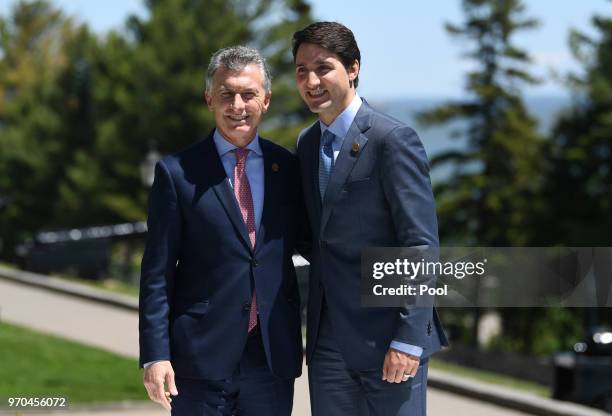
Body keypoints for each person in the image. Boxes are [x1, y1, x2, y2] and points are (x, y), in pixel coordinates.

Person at [292, 22, 448, 416]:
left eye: (323, 67)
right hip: (328, 344)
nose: (311, 81)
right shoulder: (307, 144)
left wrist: (409, 339)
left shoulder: (392, 140)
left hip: (390, 343)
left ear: (353, 68)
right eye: (301, 70)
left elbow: (420, 244)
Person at [139, 45, 304, 416]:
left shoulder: (288, 169)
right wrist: (155, 355)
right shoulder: (176, 173)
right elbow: (156, 275)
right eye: (227, 94)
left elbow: (315, 243)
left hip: (271, 358)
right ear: (209, 99)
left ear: (266, 101)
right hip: (198, 360)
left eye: (249, 94)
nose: (237, 105)